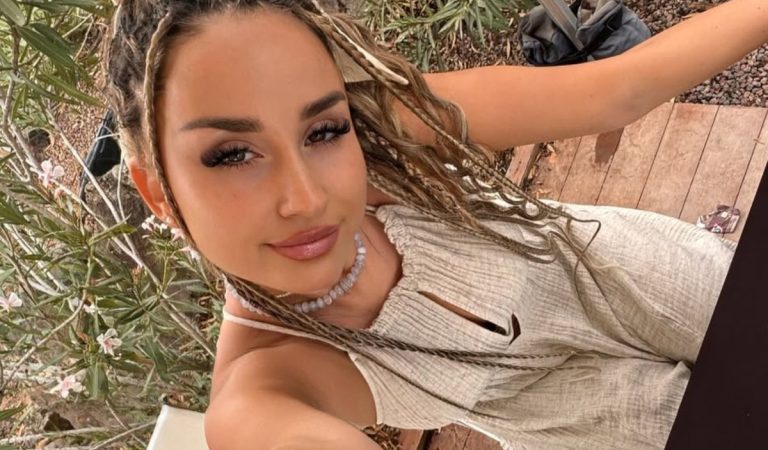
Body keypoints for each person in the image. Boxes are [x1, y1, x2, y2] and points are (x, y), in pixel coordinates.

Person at [104, 1, 767, 448]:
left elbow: (619, 90)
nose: (305, 198)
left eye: (323, 130)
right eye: (231, 154)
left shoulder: (389, 129)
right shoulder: (267, 382)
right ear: (158, 192)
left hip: (656, 272)